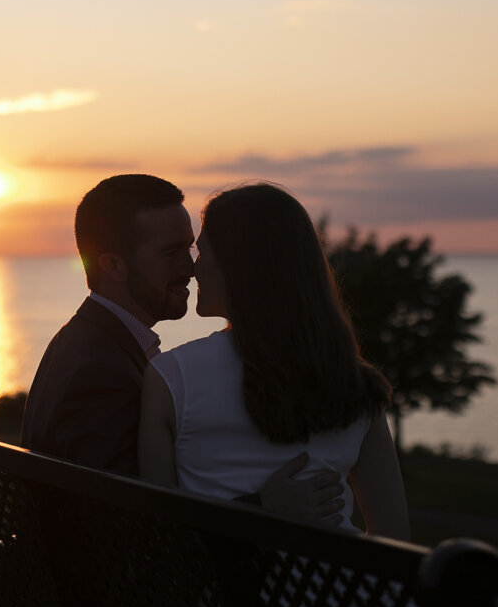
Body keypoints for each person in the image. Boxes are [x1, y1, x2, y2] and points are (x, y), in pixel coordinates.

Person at [21, 174, 346, 520]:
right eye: (170, 253)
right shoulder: (99, 374)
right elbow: (130, 530)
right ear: (114, 265)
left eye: (190, 248)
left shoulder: (86, 342)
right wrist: (264, 509)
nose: (190, 268)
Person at [138, 182, 409, 538]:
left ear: (239, 265)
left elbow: (158, 533)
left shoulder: (171, 379)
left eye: (202, 254)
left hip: (227, 592)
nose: (191, 270)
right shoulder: (355, 385)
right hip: (343, 590)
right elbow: (394, 540)